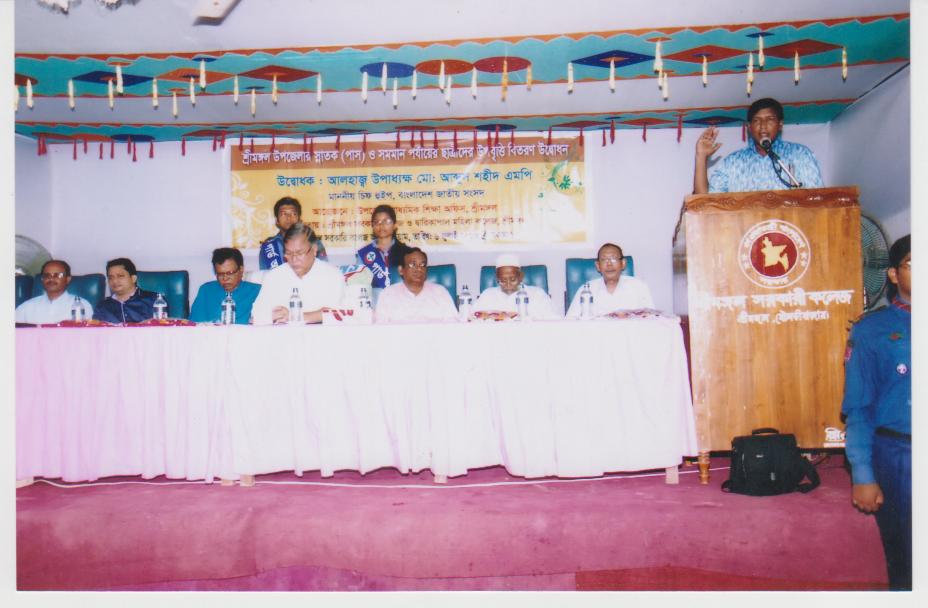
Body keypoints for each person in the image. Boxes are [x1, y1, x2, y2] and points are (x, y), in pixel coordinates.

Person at [842, 234, 911, 590]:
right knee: (908, 561)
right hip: (901, 456)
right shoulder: (871, 329)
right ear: (894, 274)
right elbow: (859, 406)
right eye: (914, 264)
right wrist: (863, 473)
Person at [693, 97, 824, 194]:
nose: (763, 126)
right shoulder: (732, 162)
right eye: (757, 120)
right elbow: (704, 203)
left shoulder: (800, 154)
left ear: (780, 124)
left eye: (770, 119)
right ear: (749, 127)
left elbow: (818, 200)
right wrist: (701, 156)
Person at [250, 222, 345, 324]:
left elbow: (338, 313)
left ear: (314, 249)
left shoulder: (332, 275)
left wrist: (293, 316)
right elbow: (256, 315)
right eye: (288, 253)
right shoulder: (274, 276)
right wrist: (271, 316)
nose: (294, 259)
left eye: (300, 253)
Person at [565, 243, 653, 318]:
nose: (609, 264)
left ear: (623, 263)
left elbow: (652, 319)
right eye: (604, 260)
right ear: (598, 266)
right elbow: (570, 321)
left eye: (614, 259)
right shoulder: (586, 290)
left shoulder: (639, 287)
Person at [374, 248, 457, 323]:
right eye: (413, 265)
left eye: (422, 265)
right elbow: (380, 328)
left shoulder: (440, 292)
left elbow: (454, 324)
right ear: (401, 270)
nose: (419, 269)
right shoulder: (388, 294)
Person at [473, 253, 558, 319]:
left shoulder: (537, 294)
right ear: (497, 278)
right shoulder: (487, 295)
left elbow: (554, 320)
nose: (508, 284)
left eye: (513, 279)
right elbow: (472, 319)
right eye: (503, 280)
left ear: (521, 277)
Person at [189, 247, 261, 324]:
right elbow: (194, 325)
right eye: (220, 274)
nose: (225, 278)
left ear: (241, 269)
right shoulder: (206, 290)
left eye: (230, 273)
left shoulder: (257, 291)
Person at [356, 204, 413, 296]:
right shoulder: (364, 254)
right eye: (377, 222)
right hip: (374, 301)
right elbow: (359, 285)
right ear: (372, 226)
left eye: (386, 221)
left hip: (401, 300)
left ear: (395, 225)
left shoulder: (407, 252)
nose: (381, 225)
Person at [258, 196, 328, 270]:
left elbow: (323, 270)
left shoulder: (313, 242)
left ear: (299, 219)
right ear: (277, 221)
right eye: (283, 214)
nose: (288, 217)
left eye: (293, 214)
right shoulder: (269, 246)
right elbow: (265, 274)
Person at [15, 260, 94, 324]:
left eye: (57, 275)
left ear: (68, 279)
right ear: (42, 279)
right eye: (47, 275)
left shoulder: (82, 306)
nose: (51, 279)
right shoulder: (26, 307)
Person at [93, 257, 161, 323]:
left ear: (133, 278)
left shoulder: (153, 300)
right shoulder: (102, 307)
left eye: (120, 276)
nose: (114, 281)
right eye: (111, 278)